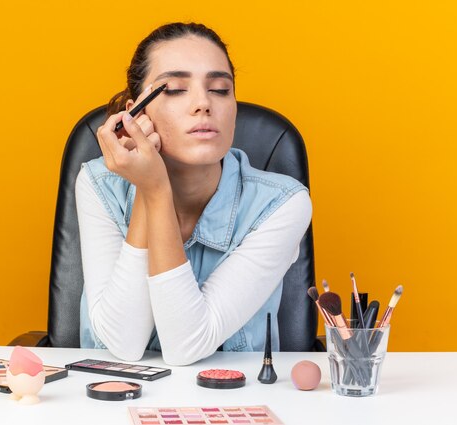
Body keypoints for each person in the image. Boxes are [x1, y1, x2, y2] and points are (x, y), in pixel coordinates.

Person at [75, 22, 312, 366]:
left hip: (234, 402)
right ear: (135, 113)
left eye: (219, 89)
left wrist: (155, 189)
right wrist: (148, 187)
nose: (203, 103)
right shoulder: (97, 185)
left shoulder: (282, 204)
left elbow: (186, 345)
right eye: (173, 89)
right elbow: (123, 345)